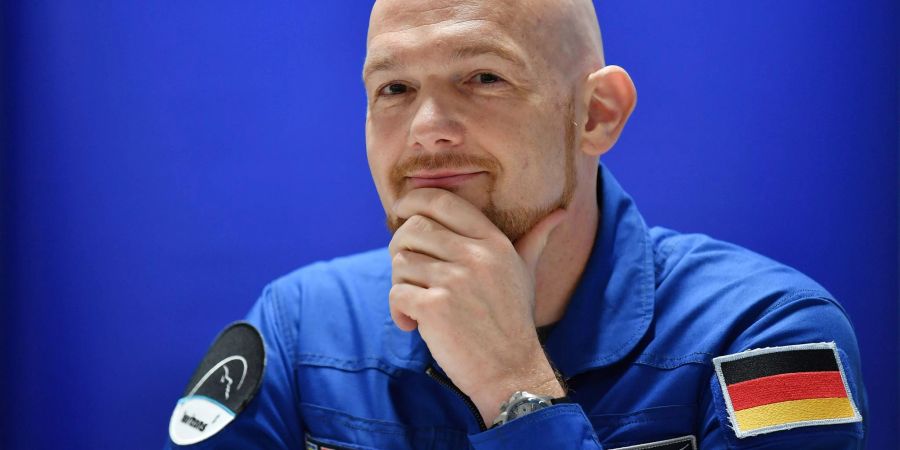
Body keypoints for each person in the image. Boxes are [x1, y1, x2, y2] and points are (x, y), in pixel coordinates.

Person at [165, 0, 868, 448]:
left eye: (483, 78)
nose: (426, 132)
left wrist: (514, 386)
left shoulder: (768, 334)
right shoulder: (297, 328)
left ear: (597, 115)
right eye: (395, 89)